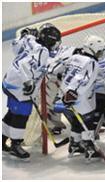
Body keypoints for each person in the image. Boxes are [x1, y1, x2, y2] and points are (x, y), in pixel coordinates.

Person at [2, 23, 61, 160]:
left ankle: (2, 140)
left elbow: (15, 46)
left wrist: (25, 34)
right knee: (21, 115)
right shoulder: (43, 52)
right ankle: (16, 145)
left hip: (10, 81)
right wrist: (28, 82)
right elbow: (24, 65)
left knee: (12, 112)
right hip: (19, 87)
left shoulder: (31, 40)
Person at [54, 35, 105, 162]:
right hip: (79, 99)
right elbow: (83, 80)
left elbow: (57, 70)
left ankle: (74, 144)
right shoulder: (92, 63)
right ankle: (89, 148)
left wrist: (66, 92)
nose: (101, 54)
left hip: (64, 96)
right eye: (99, 51)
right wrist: (72, 94)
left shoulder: (74, 57)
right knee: (87, 123)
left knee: (76, 122)